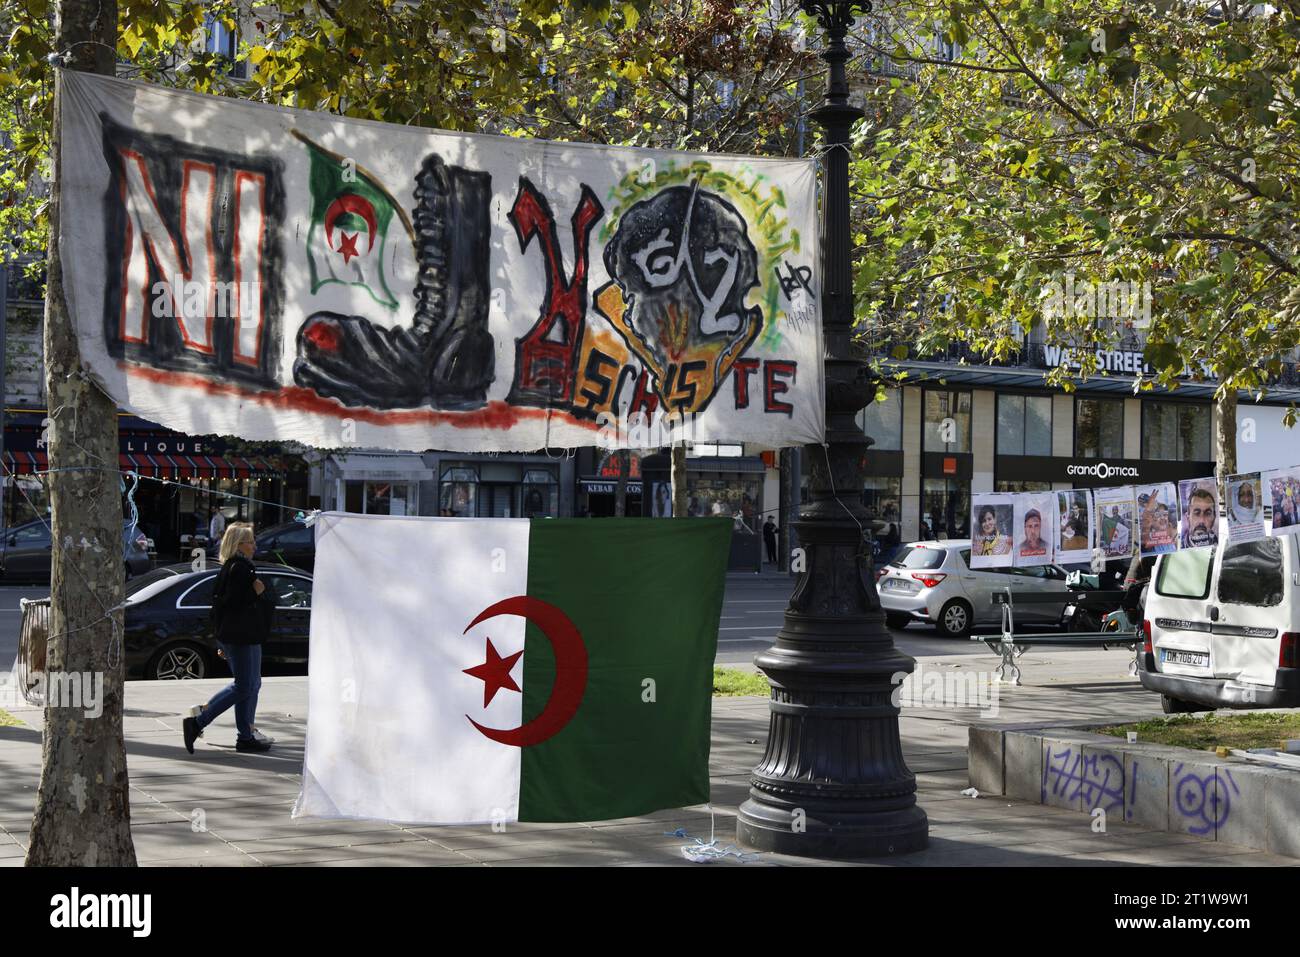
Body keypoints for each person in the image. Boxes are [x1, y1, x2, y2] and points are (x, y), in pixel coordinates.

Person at [183, 523, 275, 754]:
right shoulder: (238, 568)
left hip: (244, 635)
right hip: (241, 635)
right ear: (239, 545)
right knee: (245, 684)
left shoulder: (237, 566)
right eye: (250, 542)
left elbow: (222, 606)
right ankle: (200, 720)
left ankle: (246, 735)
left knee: (252, 684)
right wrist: (256, 592)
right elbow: (230, 604)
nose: (255, 545)